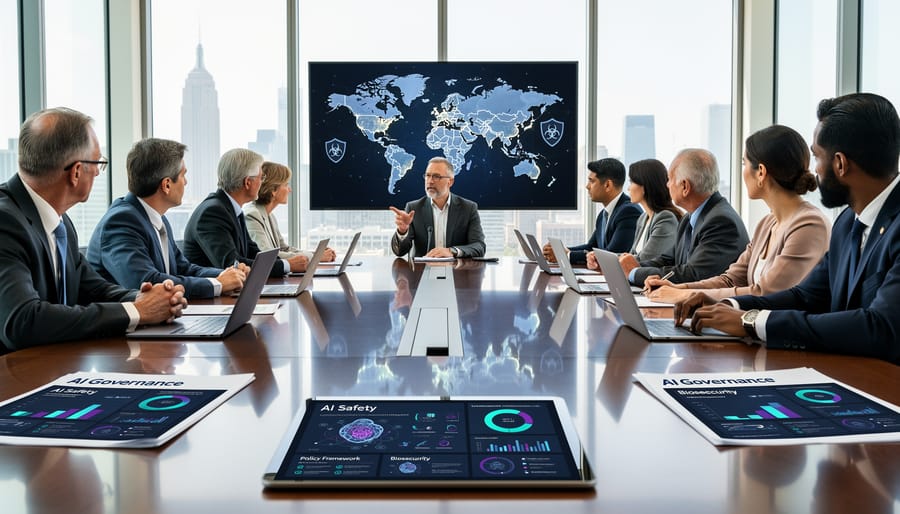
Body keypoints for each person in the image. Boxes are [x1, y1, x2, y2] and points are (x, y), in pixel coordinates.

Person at [676, 93, 900, 364]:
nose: (814, 170)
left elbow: (880, 327)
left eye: (817, 157)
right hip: (847, 377)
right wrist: (727, 306)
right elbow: (805, 296)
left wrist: (752, 322)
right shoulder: (846, 224)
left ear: (840, 164)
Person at [0, 107, 185, 353]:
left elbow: (93, 289)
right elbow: (23, 321)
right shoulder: (5, 221)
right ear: (76, 172)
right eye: (98, 163)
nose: (98, 171)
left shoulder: (61, 222)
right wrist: (137, 311)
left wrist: (150, 300)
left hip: (55, 365)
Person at [647, 125, 830, 303]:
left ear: (761, 172)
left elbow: (766, 292)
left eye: (744, 163)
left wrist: (686, 296)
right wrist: (678, 288)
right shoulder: (767, 223)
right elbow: (730, 279)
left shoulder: (809, 224)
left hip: (778, 332)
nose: (742, 171)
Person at [87, 138, 246, 299]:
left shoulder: (157, 218)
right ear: (167, 185)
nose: (186, 182)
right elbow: (147, 283)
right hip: (126, 323)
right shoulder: (121, 222)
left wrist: (228, 275)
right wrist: (218, 284)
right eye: (183, 175)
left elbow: (183, 268)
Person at [619, 148, 749, 287]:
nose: (667, 185)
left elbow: (694, 275)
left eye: (669, 179)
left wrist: (635, 272)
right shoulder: (689, 218)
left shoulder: (721, 222)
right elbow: (667, 259)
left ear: (685, 186)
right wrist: (632, 266)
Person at [182, 148, 307, 277]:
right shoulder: (213, 212)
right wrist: (287, 265)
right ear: (248, 182)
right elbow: (232, 264)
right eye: (261, 177)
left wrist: (288, 264)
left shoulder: (232, 209)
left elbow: (255, 255)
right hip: (212, 295)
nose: (262, 182)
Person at [543, 158, 641, 265]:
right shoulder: (603, 214)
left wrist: (566, 255)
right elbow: (591, 247)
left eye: (592, 181)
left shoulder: (629, 212)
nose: (587, 186)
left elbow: (612, 255)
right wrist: (558, 251)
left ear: (608, 185)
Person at [588, 158, 681, 271]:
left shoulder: (665, 218)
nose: (628, 188)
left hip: (649, 284)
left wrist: (602, 259)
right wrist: (598, 258)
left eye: (632, 182)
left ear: (644, 187)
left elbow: (643, 261)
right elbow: (630, 256)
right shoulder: (643, 218)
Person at [389, 156, 486, 258]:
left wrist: (452, 251)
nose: (430, 181)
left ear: (450, 181)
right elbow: (399, 252)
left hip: (457, 271)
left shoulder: (468, 208)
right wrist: (403, 230)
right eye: (428, 175)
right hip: (422, 271)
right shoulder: (413, 208)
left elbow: (479, 247)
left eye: (436, 176)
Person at [243, 161, 335, 262]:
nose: (289, 190)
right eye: (286, 185)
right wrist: (316, 257)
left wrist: (316, 254)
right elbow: (266, 254)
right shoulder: (252, 215)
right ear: (273, 190)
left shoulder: (269, 216)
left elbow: (284, 249)